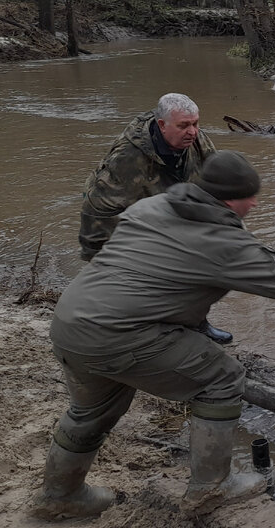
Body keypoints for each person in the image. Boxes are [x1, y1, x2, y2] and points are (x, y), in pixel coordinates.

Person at [31, 150, 275, 521]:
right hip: (122, 335)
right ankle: (210, 488)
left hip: (70, 323)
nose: (256, 205)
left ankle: (60, 495)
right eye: (250, 198)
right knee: (223, 379)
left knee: (90, 411)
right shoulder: (224, 244)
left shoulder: (153, 206)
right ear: (229, 200)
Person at [78, 92, 233, 343]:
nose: (192, 131)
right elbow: (97, 210)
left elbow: (217, 181)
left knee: (200, 263)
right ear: (162, 125)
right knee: (137, 278)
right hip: (135, 218)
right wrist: (97, 262)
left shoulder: (196, 140)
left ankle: (196, 321)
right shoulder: (127, 158)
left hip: (175, 208)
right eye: (183, 125)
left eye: (196, 123)